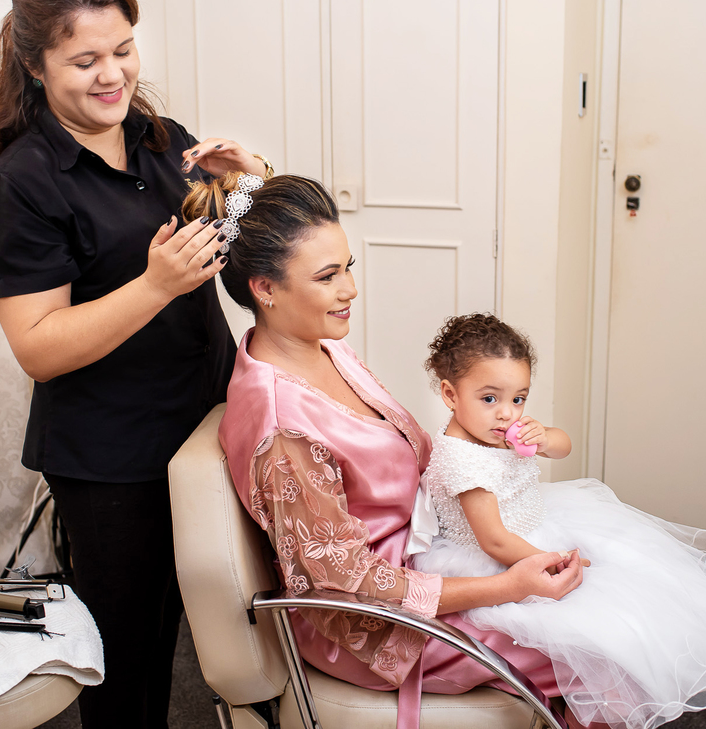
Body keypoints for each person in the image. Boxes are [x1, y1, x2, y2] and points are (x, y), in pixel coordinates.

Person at [0, 0, 271, 727]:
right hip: (113, 464)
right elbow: (37, 345)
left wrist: (255, 184)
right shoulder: (21, 186)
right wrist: (153, 285)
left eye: (124, 50)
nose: (113, 75)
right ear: (35, 66)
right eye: (86, 60)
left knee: (222, 627)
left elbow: (239, 260)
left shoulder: (162, 139)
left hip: (206, 426)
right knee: (129, 662)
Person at [183, 172, 597, 728]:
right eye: (328, 277)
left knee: (606, 596)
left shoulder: (324, 349)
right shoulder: (283, 431)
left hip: (429, 555)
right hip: (377, 628)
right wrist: (509, 586)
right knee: (597, 651)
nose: (349, 289)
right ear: (265, 289)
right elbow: (345, 583)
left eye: (347, 268)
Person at [412, 313, 706, 728]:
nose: (507, 415)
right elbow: (494, 541)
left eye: (519, 399)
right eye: (490, 399)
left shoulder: (496, 431)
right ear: (450, 394)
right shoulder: (462, 460)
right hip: (499, 556)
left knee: (636, 588)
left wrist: (544, 436)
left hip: (537, 524)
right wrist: (554, 560)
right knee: (597, 633)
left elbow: (562, 446)